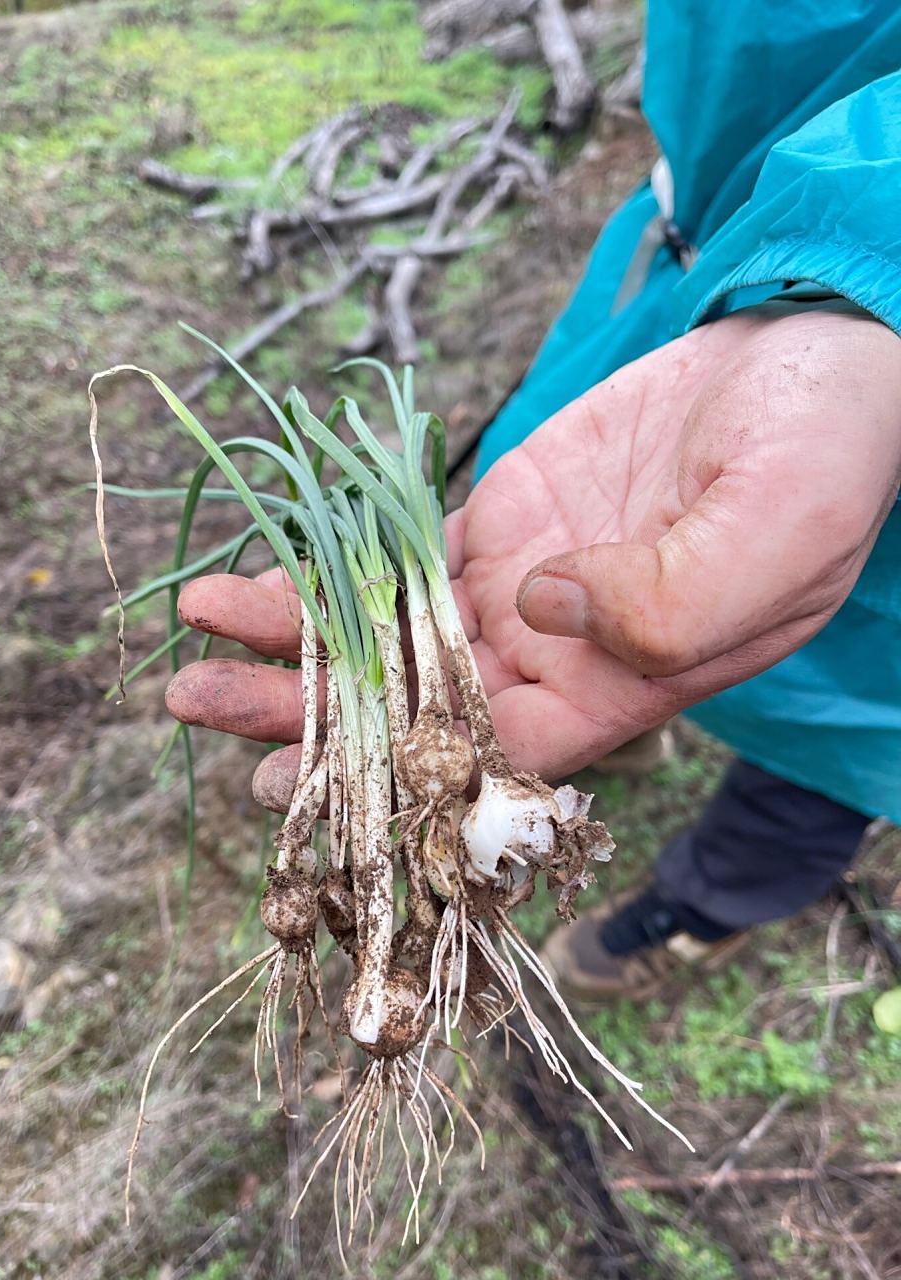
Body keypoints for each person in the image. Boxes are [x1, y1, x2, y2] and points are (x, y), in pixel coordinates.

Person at [164, 0, 901, 1000]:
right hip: (693, 286)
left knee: (824, 750)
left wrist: (869, 285)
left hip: (852, 357)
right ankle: (619, 725)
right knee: (581, 596)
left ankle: (700, 910)